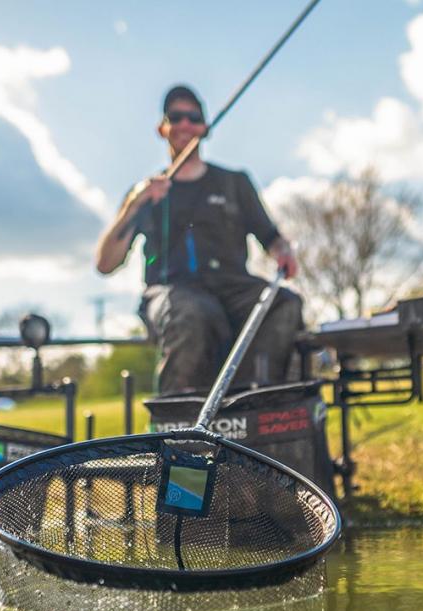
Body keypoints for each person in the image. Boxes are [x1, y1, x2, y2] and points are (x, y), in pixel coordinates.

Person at [95, 85, 303, 394]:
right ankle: (177, 430)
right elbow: (106, 263)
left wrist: (284, 251)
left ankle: (246, 403)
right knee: (193, 314)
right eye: (175, 117)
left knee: (284, 303)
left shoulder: (235, 183)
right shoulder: (145, 193)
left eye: (193, 118)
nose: (184, 125)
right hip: (171, 291)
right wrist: (135, 204)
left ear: (205, 128)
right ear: (162, 128)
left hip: (233, 287)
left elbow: (271, 237)